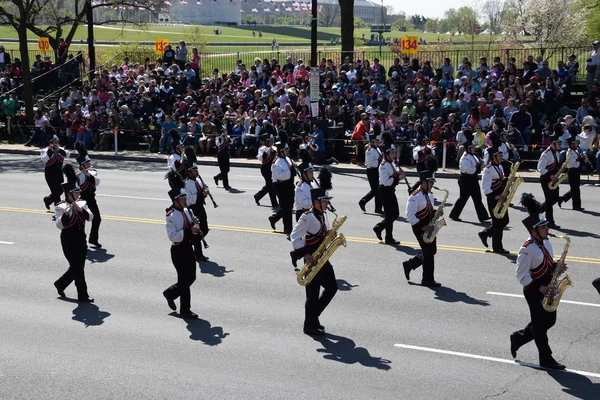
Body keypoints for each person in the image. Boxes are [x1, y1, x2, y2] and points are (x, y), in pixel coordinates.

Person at [510, 193, 566, 370]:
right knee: (541, 327)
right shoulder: (526, 250)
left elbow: (547, 261)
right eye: (543, 228)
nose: (547, 229)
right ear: (533, 231)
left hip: (548, 287)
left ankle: (518, 337)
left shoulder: (546, 242)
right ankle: (546, 359)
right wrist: (539, 287)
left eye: (546, 226)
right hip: (534, 291)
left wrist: (557, 266)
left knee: (549, 321)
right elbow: (521, 276)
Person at [290, 187, 338, 336]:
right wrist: (306, 255)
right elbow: (294, 237)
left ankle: (313, 318)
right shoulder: (307, 217)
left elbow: (322, 233)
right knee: (312, 294)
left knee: (332, 288)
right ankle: (309, 325)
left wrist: (331, 234)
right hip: (312, 260)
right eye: (325, 201)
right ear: (316, 202)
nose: (327, 204)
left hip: (322, 258)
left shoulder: (323, 215)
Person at [53, 164, 94, 303]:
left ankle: (61, 284)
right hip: (68, 241)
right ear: (69, 194)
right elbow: (59, 225)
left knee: (78, 267)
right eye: (76, 192)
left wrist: (78, 208)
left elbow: (90, 217)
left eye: (78, 192)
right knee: (77, 268)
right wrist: (66, 213)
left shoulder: (82, 203)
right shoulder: (60, 207)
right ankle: (83, 295)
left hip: (81, 240)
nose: (78, 194)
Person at [163, 170, 200, 319]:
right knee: (184, 280)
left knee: (191, 277)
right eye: (183, 198)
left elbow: (191, 229)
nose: (185, 200)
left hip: (188, 248)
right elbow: (173, 237)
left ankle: (170, 293)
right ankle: (185, 309)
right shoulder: (171, 216)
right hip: (178, 251)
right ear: (176, 200)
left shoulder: (186, 211)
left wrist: (195, 225)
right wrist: (189, 230)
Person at [403, 170, 441, 287]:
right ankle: (427, 279)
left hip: (429, 226)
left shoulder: (429, 194)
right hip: (419, 227)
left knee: (432, 251)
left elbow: (429, 210)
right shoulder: (415, 197)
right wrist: (422, 227)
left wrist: (436, 213)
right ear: (424, 182)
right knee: (429, 253)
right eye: (431, 182)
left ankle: (410, 264)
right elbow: (409, 216)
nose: (432, 185)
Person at [478, 147, 510, 254]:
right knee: (498, 223)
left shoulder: (499, 166)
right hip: (494, 199)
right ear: (493, 156)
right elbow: (485, 188)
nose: (502, 157)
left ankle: (485, 233)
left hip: (501, 196)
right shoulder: (488, 170)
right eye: (499, 155)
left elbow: (501, 179)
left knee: (505, 220)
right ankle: (497, 247)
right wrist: (496, 197)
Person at [449, 142, 490, 222]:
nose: (474, 149)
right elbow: (469, 170)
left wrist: (481, 164)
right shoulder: (465, 157)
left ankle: (483, 216)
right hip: (466, 180)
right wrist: (477, 168)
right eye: (472, 148)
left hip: (473, 179)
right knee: (463, 199)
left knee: (477, 198)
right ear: (468, 149)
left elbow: (480, 165)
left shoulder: (473, 156)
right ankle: (454, 215)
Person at [373, 144, 403, 245]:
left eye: (395, 153)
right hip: (384, 191)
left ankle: (385, 233)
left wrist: (399, 174)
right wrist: (398, 178)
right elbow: (386, 181)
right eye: (392, 153)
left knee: (394, 214)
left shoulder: (392, 163)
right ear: (387, 154)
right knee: (392, 215)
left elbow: (393, 176)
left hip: (390, 190)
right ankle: (382, 231)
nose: (394, 155)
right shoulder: (383, 165)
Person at [184, 149, 210, 263]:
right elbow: (189, 199)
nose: (196, 172)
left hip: (200, 207)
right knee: (198, 230)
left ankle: (193, 242)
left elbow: (201, 191)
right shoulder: (186, 183)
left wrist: (205, 190)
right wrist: (201, 195)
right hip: (193, 209)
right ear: (189, 172)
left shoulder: (198, 180)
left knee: (205, 227)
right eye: (194, 171)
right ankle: (198, 254)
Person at [75, 142, 102, 248]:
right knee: (81, 222)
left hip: (91, 199)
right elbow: (74, 187)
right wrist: (78, 176)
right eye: (87, 164)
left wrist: (87, 174)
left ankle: (93, 239)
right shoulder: (78, 174)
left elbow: (97, 182)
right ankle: (81, 241)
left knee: (97, 219)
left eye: (89, 163)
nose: (89, 165)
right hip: (81, 201)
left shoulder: (93, 172)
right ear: (82, 165)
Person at [269, 142, 296, 236]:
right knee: (287, 208)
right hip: (281, 186)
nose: (287, 151)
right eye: (285, 150)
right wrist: (291, 172)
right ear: (280, 151)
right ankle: (288, 229)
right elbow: (281, 176)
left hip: (289, 184)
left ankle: (274, 218)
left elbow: (292, 167)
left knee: (289, 206)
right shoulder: (276, 162)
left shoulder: (287, 159)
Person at [537, 132, 562, 229]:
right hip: (546, 179)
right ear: (552, 143)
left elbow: (555, 165)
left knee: (555, 198)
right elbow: (540, 168)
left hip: (553, 179)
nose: (560, 145)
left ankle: (537, 211)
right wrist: (550, 175)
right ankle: (549, 222)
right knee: (549, 200)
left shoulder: (556, 152)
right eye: (558, 143)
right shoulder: (546, 154)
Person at [41, 135, 70, 210]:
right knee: (55, 191)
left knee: (60, 190)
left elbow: (67, 155)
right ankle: (59, 209)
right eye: (54, 142)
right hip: (50, 173)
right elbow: (44, 159)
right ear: (50, 143)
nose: (55, 143)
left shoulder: (61, 149)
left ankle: (48, 199)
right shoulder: (45, 150)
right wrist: (50, 150)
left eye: (57, 142)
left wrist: (59, 150)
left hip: (59, 172)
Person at [358, 137, 383, 214]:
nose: (377, 143)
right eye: (376, 142)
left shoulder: (377, 149)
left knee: (378, 190)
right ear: (372, 142)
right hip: (371, 171)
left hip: (377, 170)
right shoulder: (369, 151)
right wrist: (379, 162)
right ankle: (363, 201)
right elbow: (371, 163)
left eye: (378, 142)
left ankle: (378, 208)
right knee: (375, 190)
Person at [558, 136, 583, 211]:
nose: (577, 144)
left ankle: (562, 198)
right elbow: (573, 164)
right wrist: (581, 162)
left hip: (576, 171)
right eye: (575, 143)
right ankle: (576, 206)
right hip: (572, 171)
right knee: (575, 189)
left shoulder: (575, 150)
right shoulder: (570, 152)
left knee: (574, 189)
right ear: (572, 144)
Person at [254, 136, 278, 207]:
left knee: (269, 185)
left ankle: (257, 196)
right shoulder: (262, 148)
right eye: (270, 141)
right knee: (270, 186)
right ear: (266, 142)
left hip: (272, 168)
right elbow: (260, 158)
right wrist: (267, 150)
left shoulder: (274, 148)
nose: (271, 143)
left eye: (272, 141)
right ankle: (274, 203)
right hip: (265, 168)